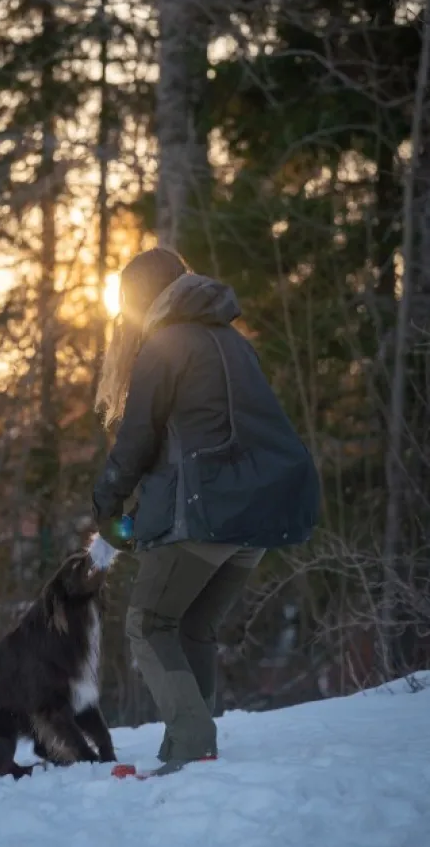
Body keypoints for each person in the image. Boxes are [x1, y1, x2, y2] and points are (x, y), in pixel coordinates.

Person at [92, 248, 320, 776]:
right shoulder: (234, 342)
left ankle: (193, 746)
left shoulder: (166, 344)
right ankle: (192, 755)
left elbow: (136, 441)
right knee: (192, 625)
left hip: (205, 515)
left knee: (148, 624)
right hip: (255, 519)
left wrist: (107, 505)